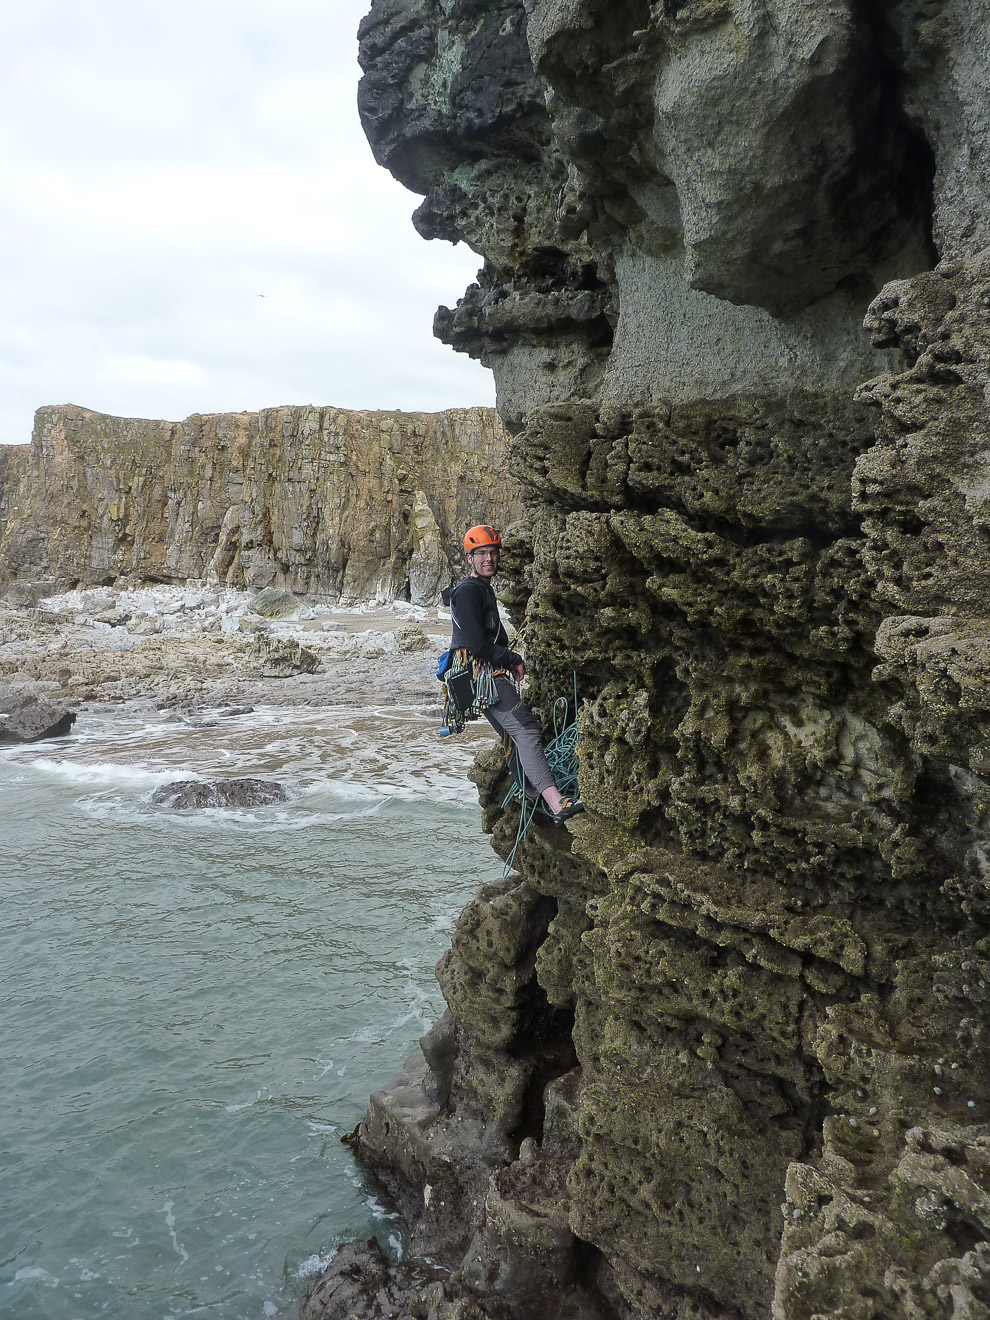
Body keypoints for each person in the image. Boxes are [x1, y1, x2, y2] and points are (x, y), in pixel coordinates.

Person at [441, 524, 583, 824]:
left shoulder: (479, 589)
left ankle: (531, 796)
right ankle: (557, 803)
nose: (488, 559)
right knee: (526, 731)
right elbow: (475, 643)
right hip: (484, 675)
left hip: (480, 674)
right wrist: (512, 657)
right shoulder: (468, 592)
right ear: (470, 558)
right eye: (481, 554)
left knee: (511, 736)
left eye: (492, 553)